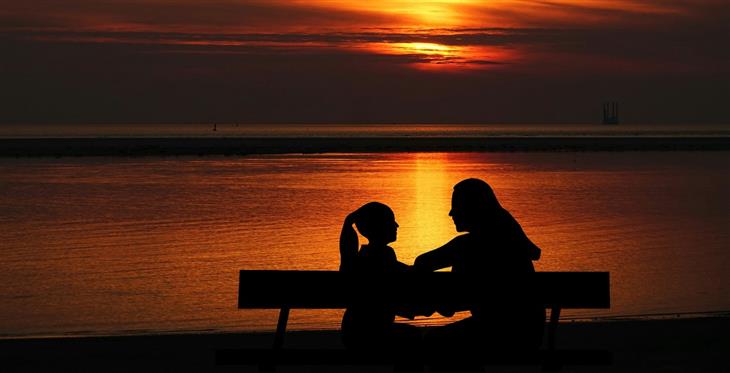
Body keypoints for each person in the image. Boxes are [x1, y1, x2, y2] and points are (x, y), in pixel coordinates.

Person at [414, 178, 545, 355]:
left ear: (473, 209)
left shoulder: (466, 246)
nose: (451, 213)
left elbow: (424, 264)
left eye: (456, 206)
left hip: (499, 333)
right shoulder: (512, 241)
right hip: (530, 333)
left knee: (435, 342)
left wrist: (426, 298)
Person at [339, 202, 424, 351]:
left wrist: (349, 220)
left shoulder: (358, 258)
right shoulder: (384, 256)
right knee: (415, 338)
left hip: (353, 330)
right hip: (369, 333)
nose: (396, 225)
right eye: (391, 221)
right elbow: (403, 277)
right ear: (380, 227)